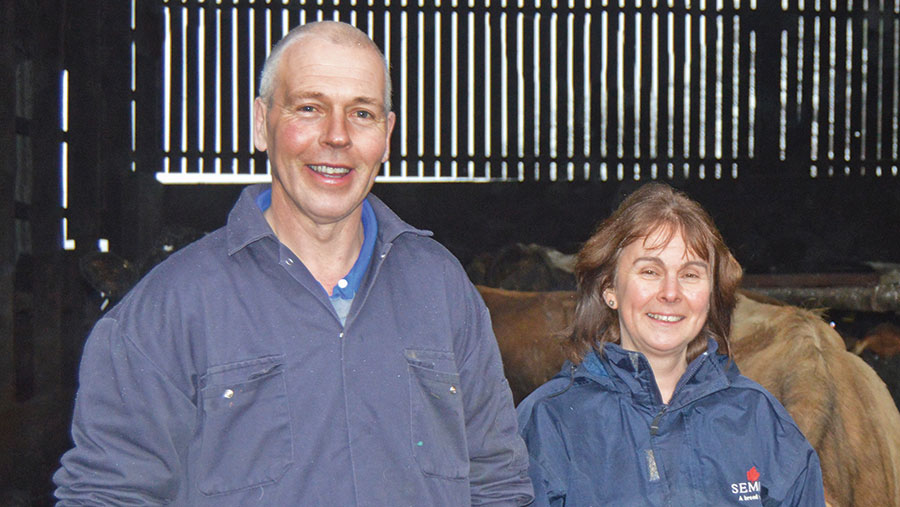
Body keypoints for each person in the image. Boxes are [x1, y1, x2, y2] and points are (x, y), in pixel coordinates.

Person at [54, 21, 533, 506]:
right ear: (262, 123)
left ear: (386, 136)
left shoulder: (441, 287)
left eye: (362, 113)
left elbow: (496, 482)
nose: (337, 137)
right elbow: (107, 494)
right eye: (310, 108)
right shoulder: (169, 308)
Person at [517, 183, 826, 506]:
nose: (670, 292)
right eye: (650, 271)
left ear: (709, 295)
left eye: (691, 275)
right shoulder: (549, 421)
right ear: (610, 289)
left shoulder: (759, 420)